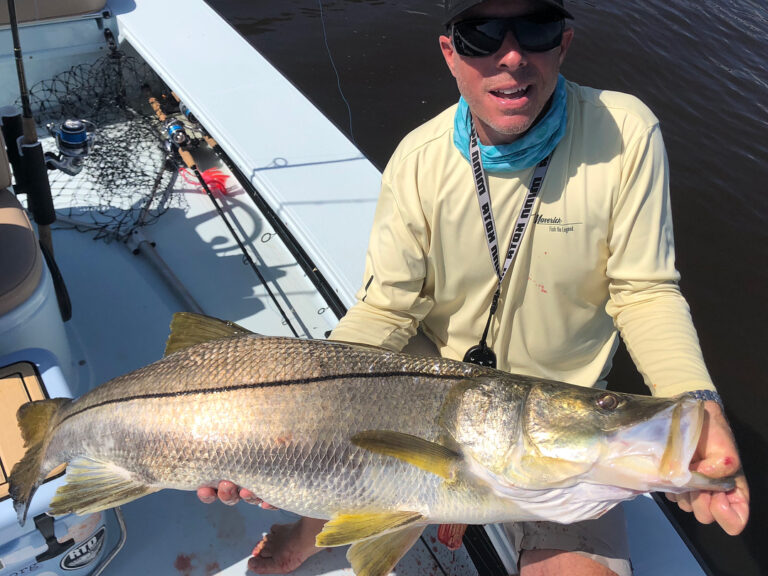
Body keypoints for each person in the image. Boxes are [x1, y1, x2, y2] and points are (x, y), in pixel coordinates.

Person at [199, 0, 750, 574]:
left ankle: (421, 501)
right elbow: (386, 309)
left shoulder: (625, 132)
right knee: (320, 457)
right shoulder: (418, 160)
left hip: (556, 410)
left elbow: (646, 290)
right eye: (481, 35)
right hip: (424, 389)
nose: (511, 56)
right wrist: (293, 406)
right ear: (451, 55)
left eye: (535, 29)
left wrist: (698, 403)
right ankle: (321, 521)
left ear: (562, 44)